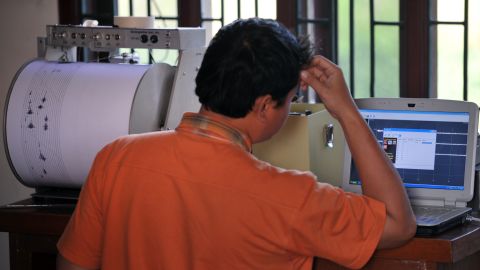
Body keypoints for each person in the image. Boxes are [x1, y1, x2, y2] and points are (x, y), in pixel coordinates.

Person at [57, 18, 416, 270]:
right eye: (290, 98)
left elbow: (73, 264)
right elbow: (399, 223)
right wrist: (347, 112)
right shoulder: (292, 198)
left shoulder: (116, 159)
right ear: (263, 106)